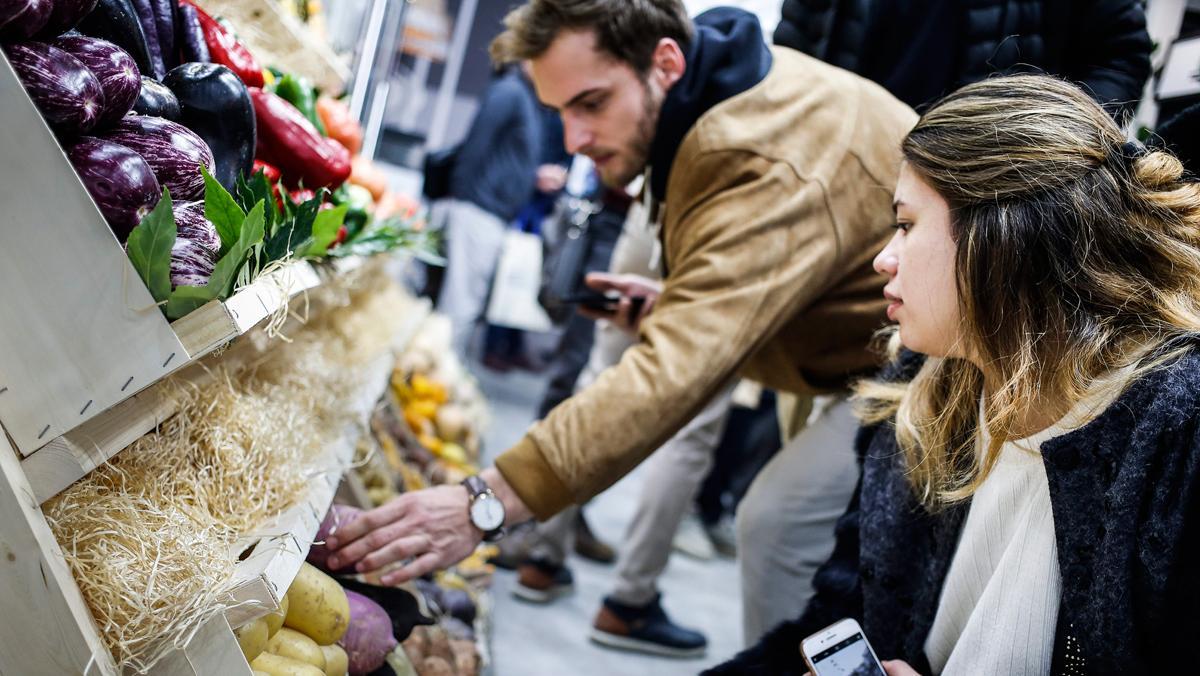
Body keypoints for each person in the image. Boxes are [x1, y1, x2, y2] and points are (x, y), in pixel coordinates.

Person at [324, 0, 916, 646]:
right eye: (561, 114)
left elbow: (669, 377)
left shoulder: (758, 153)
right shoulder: (704, 100)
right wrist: (678, 300)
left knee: (779, 528)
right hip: (858, 352)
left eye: (591, 104)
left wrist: (484, 501)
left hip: (930, 360)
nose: (574, 140)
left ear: (664, 62)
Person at [710, 74, 1200, 675]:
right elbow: (843, 613)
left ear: (1003, 237)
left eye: (907, 224)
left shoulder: (1175, 437)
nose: (882, 258)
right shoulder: (924, 393)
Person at [773, 0, 1151, 116]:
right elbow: (791, 59)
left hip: (983, 195)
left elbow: (1119, 56)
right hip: (847, 176)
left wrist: (1050, 146)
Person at [434, 64, 545, 358]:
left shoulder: (525, 96)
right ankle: (433, 376)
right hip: (478, 209)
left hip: (490, 212)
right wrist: (463, 198)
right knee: (460, 303)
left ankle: (441, 373)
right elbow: (475, 146)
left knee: (469, 301)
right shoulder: (509, 91)